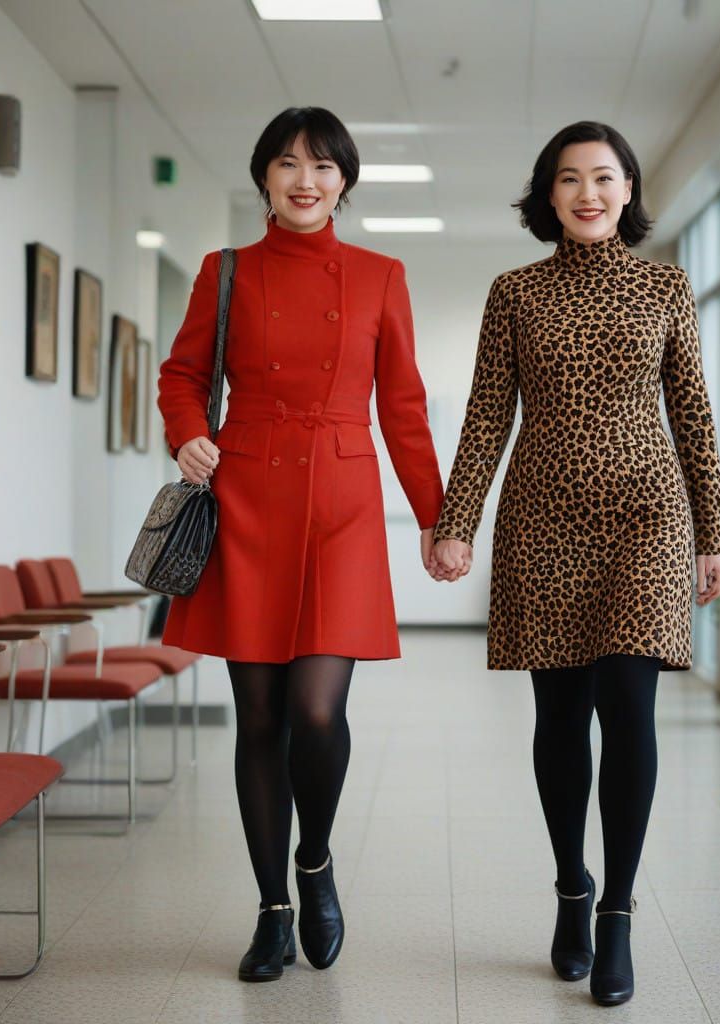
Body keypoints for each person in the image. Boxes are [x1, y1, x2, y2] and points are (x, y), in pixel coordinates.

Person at [429, 120, 720, 1007]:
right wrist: (457, 524)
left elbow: (695, 418)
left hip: (647, 518)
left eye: (605, 178)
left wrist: (713, 532)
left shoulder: (667, 287)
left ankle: (619, 918)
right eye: (570, 179)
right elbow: (487, 416)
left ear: (629, 191)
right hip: (543, 521)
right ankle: (572, 886)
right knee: (560, 718)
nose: (588, 193)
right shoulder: (514, 293)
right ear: (548, 194)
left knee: (628, 708)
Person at [157, 107, 444, 983]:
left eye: (322, 165)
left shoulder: (379, 275)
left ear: (345, 181)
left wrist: (438, 515)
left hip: (344, 505)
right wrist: (186, 433)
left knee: (319, 712)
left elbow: (401, 404)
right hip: (247, 494)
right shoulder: (226, 271)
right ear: (264, 179)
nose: (305, 179)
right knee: (263, 717)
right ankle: (272, 910)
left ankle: (312, 861)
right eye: (287, 164)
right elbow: (178, 374)